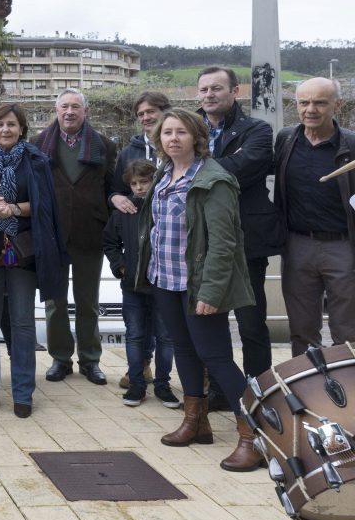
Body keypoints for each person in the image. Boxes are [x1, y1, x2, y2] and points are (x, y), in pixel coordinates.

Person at [136, 108, 261, 472]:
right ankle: (196, 422)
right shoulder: (163, 174)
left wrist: (211, 291)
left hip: (197, 286)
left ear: (196, 137)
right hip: (165, 280)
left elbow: (224, 244)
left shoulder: (213, 179)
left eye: (181, 132)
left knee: (216, 356)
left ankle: (255, 435)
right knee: (185, 352)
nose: (173, 138)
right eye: (167, 133)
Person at [0, 104, 67, 418]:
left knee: (22, 323)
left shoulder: (36, 162)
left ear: (22, 129)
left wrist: (14, 209)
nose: (5, 130)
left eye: (11, 125)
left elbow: (46, 206)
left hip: (24, 252)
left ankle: (23, 393)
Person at [196, 67, 282, 409]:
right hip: (202, 240)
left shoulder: (257, 129)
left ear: (235, 91)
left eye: (217, 88)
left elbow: (248, 166)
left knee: (251, 324)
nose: (209, 94)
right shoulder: (190, 128)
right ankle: (219, 391)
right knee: (210, 322)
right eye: (204, 89)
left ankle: (262, 395)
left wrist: (202, 169)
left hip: (247, 238)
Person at [33, 88, 117, 386]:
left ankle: (91, 360)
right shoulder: (38, 144)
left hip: (89, 232)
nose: (69, 112)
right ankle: (60, 358)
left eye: (75, 107)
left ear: (86, 111)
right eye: (64, 107)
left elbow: (112, 189)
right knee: (54, 301)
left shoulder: (104, 146)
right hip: (52, 234)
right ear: (56, 111)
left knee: (88, 301)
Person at [274, 77, 355, 354]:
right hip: (297, 245)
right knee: (302, 329)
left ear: (337, 105)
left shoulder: (352, 145)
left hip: (344, 245)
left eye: (320, 102)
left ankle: (350, 391)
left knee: (348, 329)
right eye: (304, 102)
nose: (311, 109)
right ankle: (309, 393)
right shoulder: (286, 140)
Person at [107, 91, 171, 390]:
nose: (146, 117)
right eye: (141, 113)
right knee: (137, 327)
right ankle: (140, 369)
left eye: (151, 111)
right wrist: (117, 196)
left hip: (169, 261)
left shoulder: (176, 142)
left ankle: (166, 379)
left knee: (168, 328)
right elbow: (116, 187)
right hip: (133, 262)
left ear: (164, 112)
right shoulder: (129, 151)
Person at [102, 159, 177, 408]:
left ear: (154, 181)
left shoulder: (165, 208)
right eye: (134, 184)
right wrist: (121, 266)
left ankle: (163, 385)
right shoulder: (124, 212)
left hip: (163, 283)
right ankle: (136, 384)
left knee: (166, 337)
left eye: (144, 182)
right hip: (133, 285)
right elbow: (110, 242)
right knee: (134, 335)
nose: (139, 188)